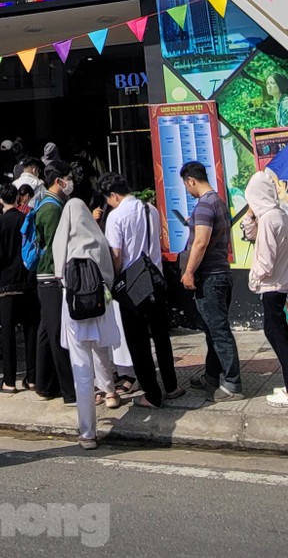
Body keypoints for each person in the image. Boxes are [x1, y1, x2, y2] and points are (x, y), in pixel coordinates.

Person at [54, 190, 126, 447]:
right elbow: (108, 275)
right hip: (98, 307)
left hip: (74, 310)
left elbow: (59, 273)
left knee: (81, 369)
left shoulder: (64, 242)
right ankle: (110, 393)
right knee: (101, 351)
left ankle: (87, 433)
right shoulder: (97, 239)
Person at [103, 173, 178, 404]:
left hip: (131, 286)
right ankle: (172, 386)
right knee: (161, 335)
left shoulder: (116, 217)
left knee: (138, 342)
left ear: (113, 195)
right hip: (155, 280)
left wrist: (112, 279)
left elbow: (116, 256)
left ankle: (152, 395)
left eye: (108, 199)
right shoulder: (150, 209)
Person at [178, 161, 242, 400]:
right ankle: (212, 376)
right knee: (212, 331)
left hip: (211, 278)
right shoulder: (218, 201)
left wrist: (189, 272)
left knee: (219, 332)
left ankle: (233, 384)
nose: (187, 190)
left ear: (191, 180)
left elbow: (201, 241)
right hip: (222, 274)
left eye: (187, 185)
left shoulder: (204, 205)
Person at [242, 168, 288, 407]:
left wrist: (254, 279)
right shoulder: (277, 214)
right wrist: (250, 215)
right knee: (276, 332)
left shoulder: (269, 219)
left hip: (272, 285)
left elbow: (265, 260)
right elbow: (251, 234)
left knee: (277, 334)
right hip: (282, 282)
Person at [29, 165, 77, 403]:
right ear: (59, 181)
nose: (70, 183)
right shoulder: (52, 209)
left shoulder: (48, 205)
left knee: (47, 331)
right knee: (57, 332)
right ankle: (68, 390)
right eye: (68, 179)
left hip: (46, 276)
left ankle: (45, 384)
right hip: (51, 276)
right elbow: (57, 245)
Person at [0, 180, 39, 393]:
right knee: (31, 331)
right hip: (28, 282)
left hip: (7, 285)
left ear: (1, 200)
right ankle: (32, 377)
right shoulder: (26, 219)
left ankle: (9, 380)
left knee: (8, 333)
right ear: (18, 198)